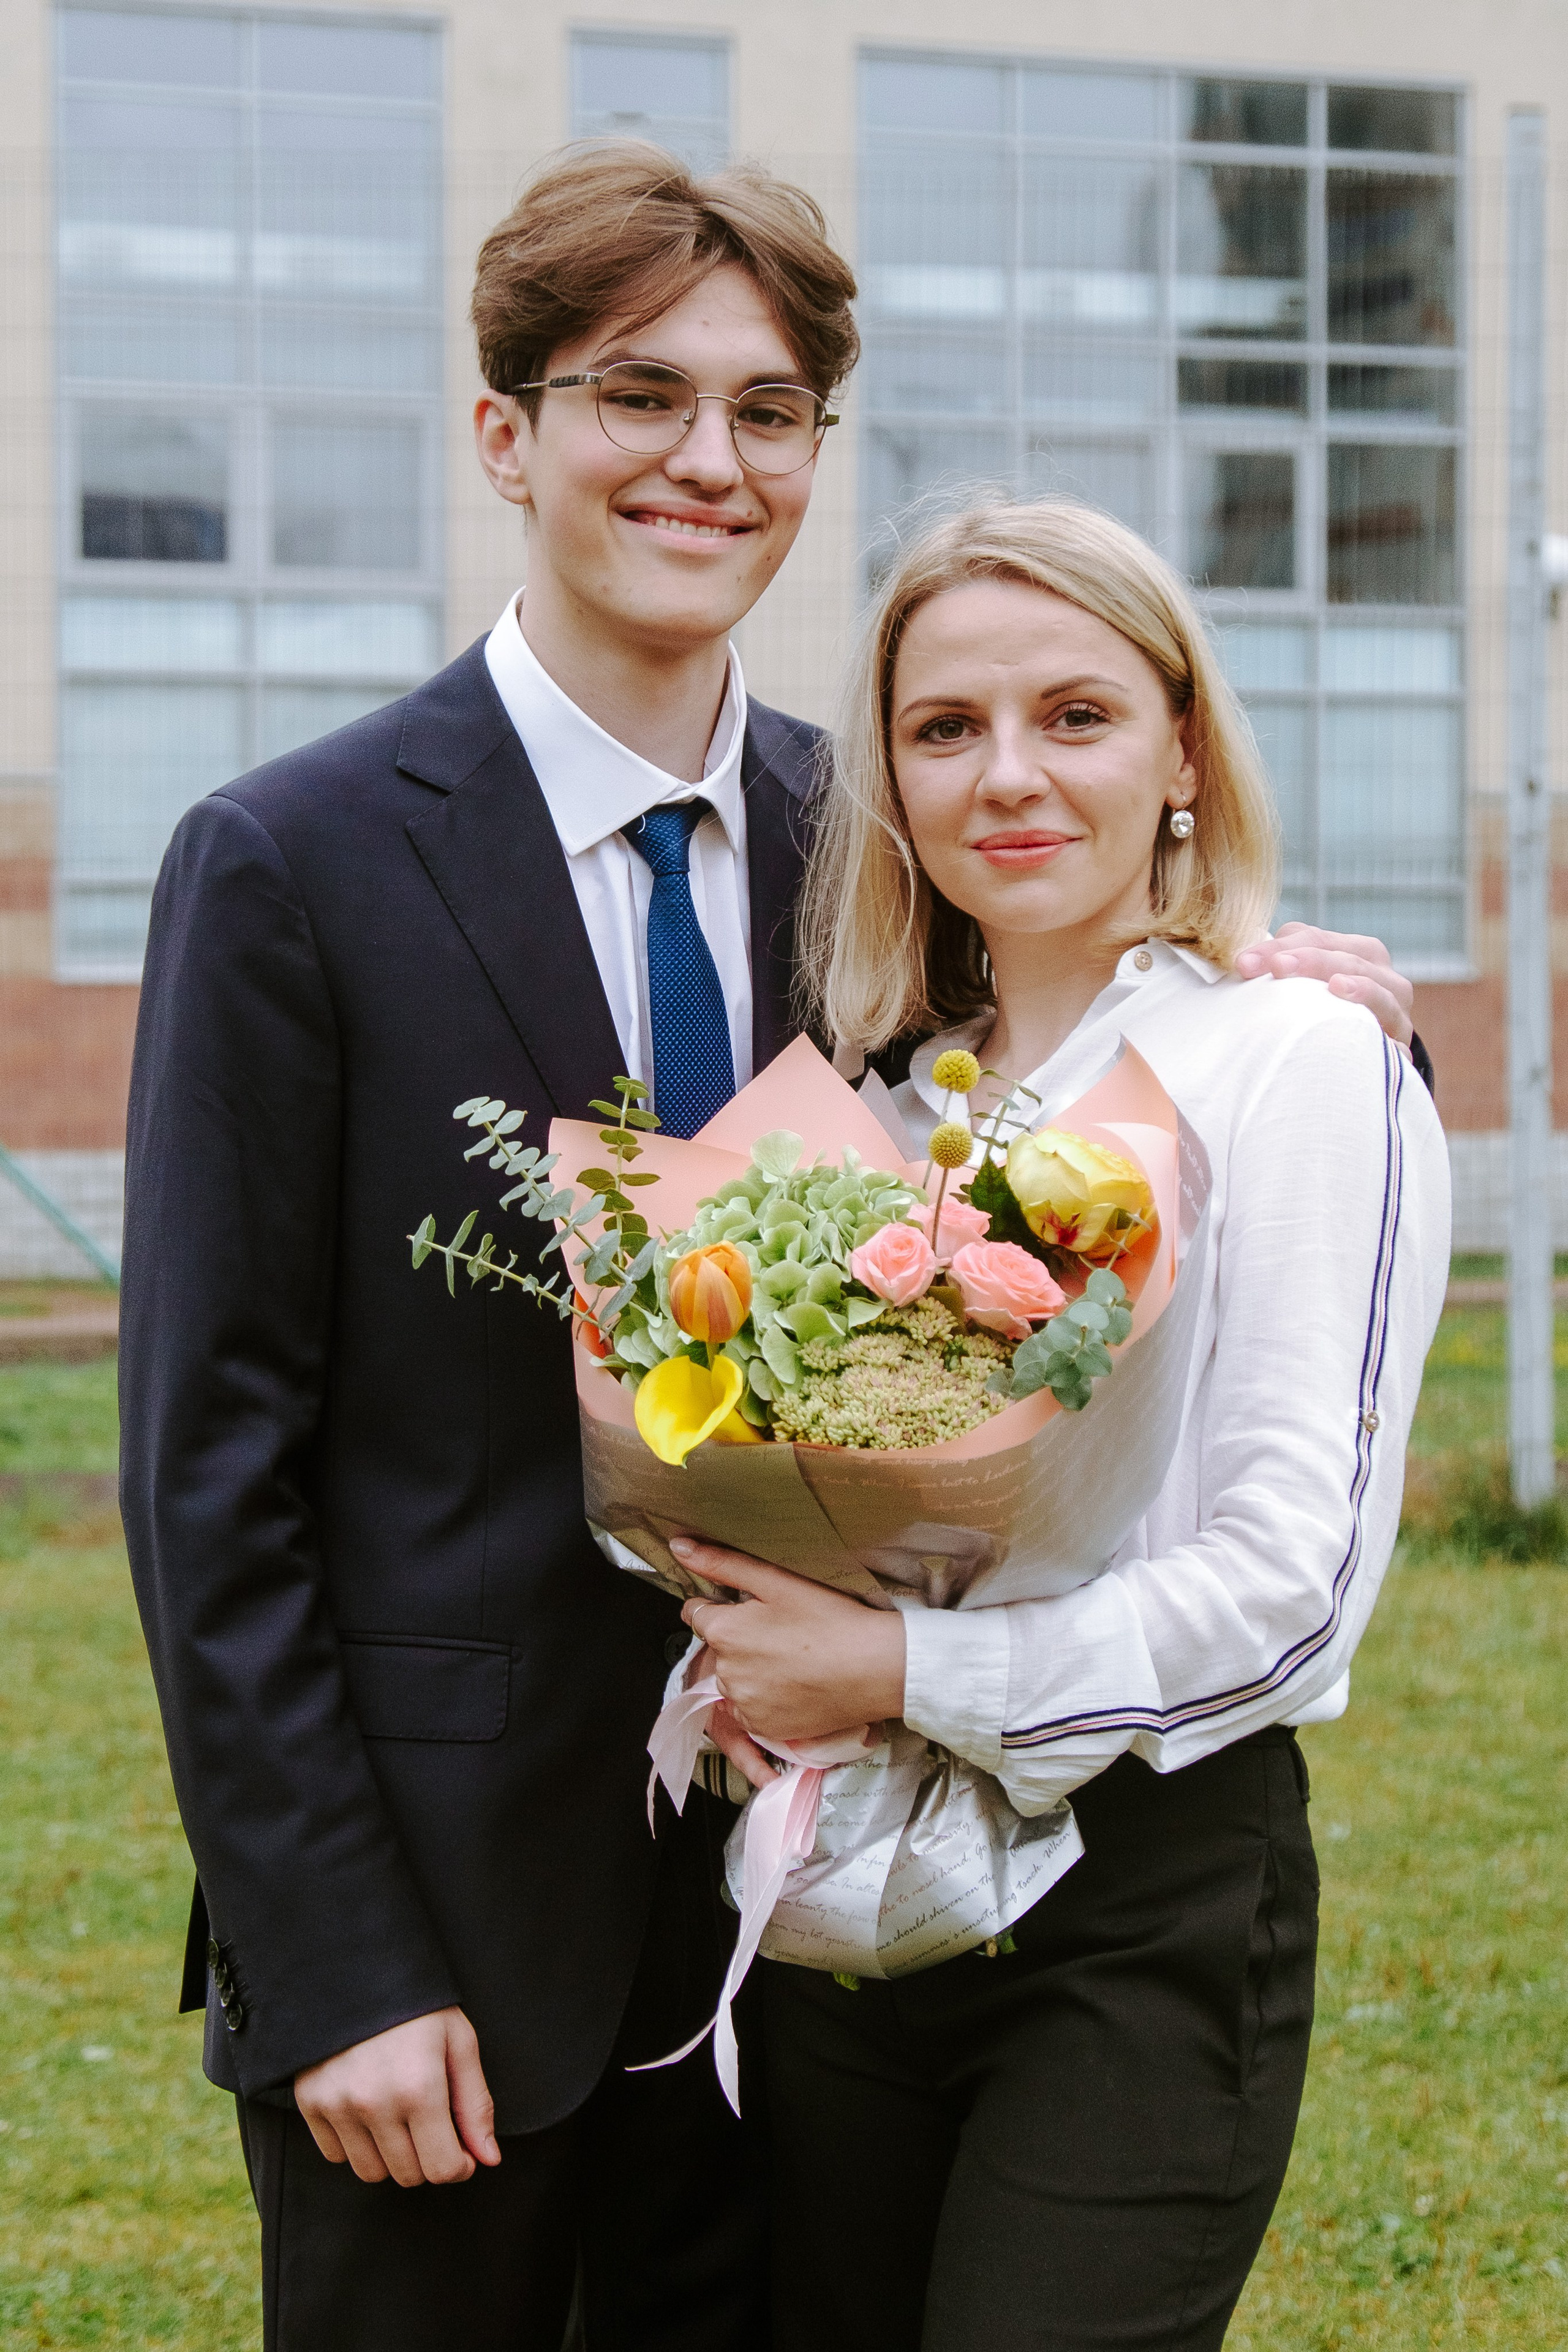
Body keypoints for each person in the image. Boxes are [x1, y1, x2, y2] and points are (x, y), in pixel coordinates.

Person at [117, 138, 1426, 2352]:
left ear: (817, 451)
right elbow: (207, 1481)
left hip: (813, 1932)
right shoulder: (290, 860)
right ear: (507, 432)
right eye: (640, 396)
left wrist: (1256, 970)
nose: (705, 462)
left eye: (769, 412)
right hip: (443, 1945)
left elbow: (1064, 1068)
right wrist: (333, 1965)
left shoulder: (887, 836)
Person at [670, 498, 1450, 2352]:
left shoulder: (1300, 1062)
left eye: (1076, 716)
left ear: (1185, 744)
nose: (1007, 775)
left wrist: (894, 1666)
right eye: (944, 731)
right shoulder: (879, 1102)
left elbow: (1294, 1585)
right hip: (850, 1891)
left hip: (1150, 1892)